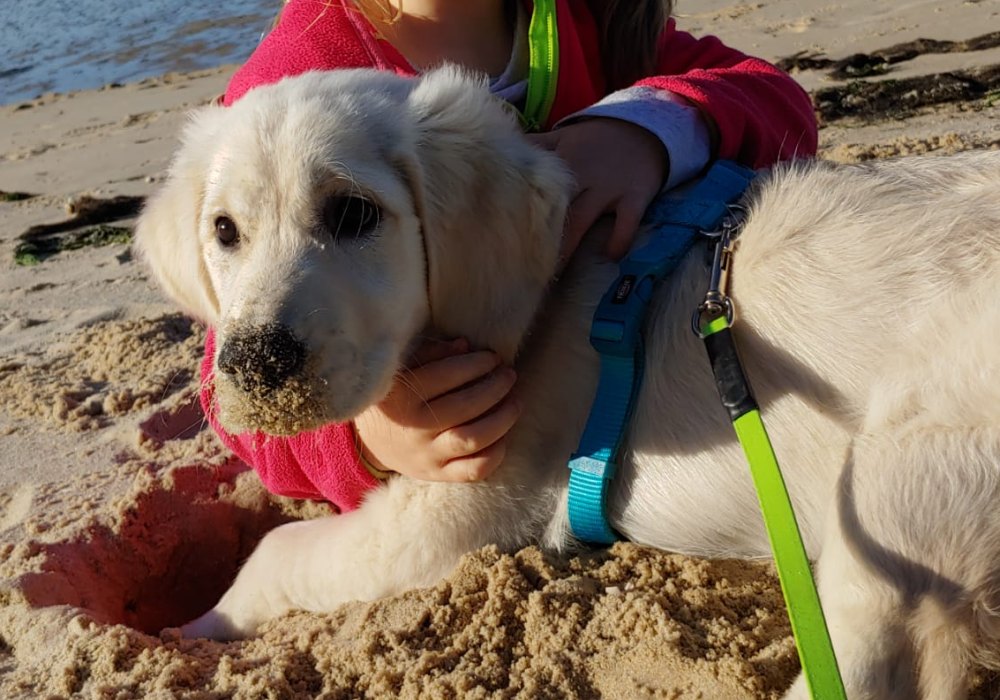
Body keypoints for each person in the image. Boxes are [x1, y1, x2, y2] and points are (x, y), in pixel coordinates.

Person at [199, 0, 818, 512]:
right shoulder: (295, 84)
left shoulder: (589, 22)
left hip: (628, 390)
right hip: (492, 463)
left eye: (353, 214)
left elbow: (778, 101)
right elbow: (236, 388)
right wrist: (369, 442)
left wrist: (648, 129)